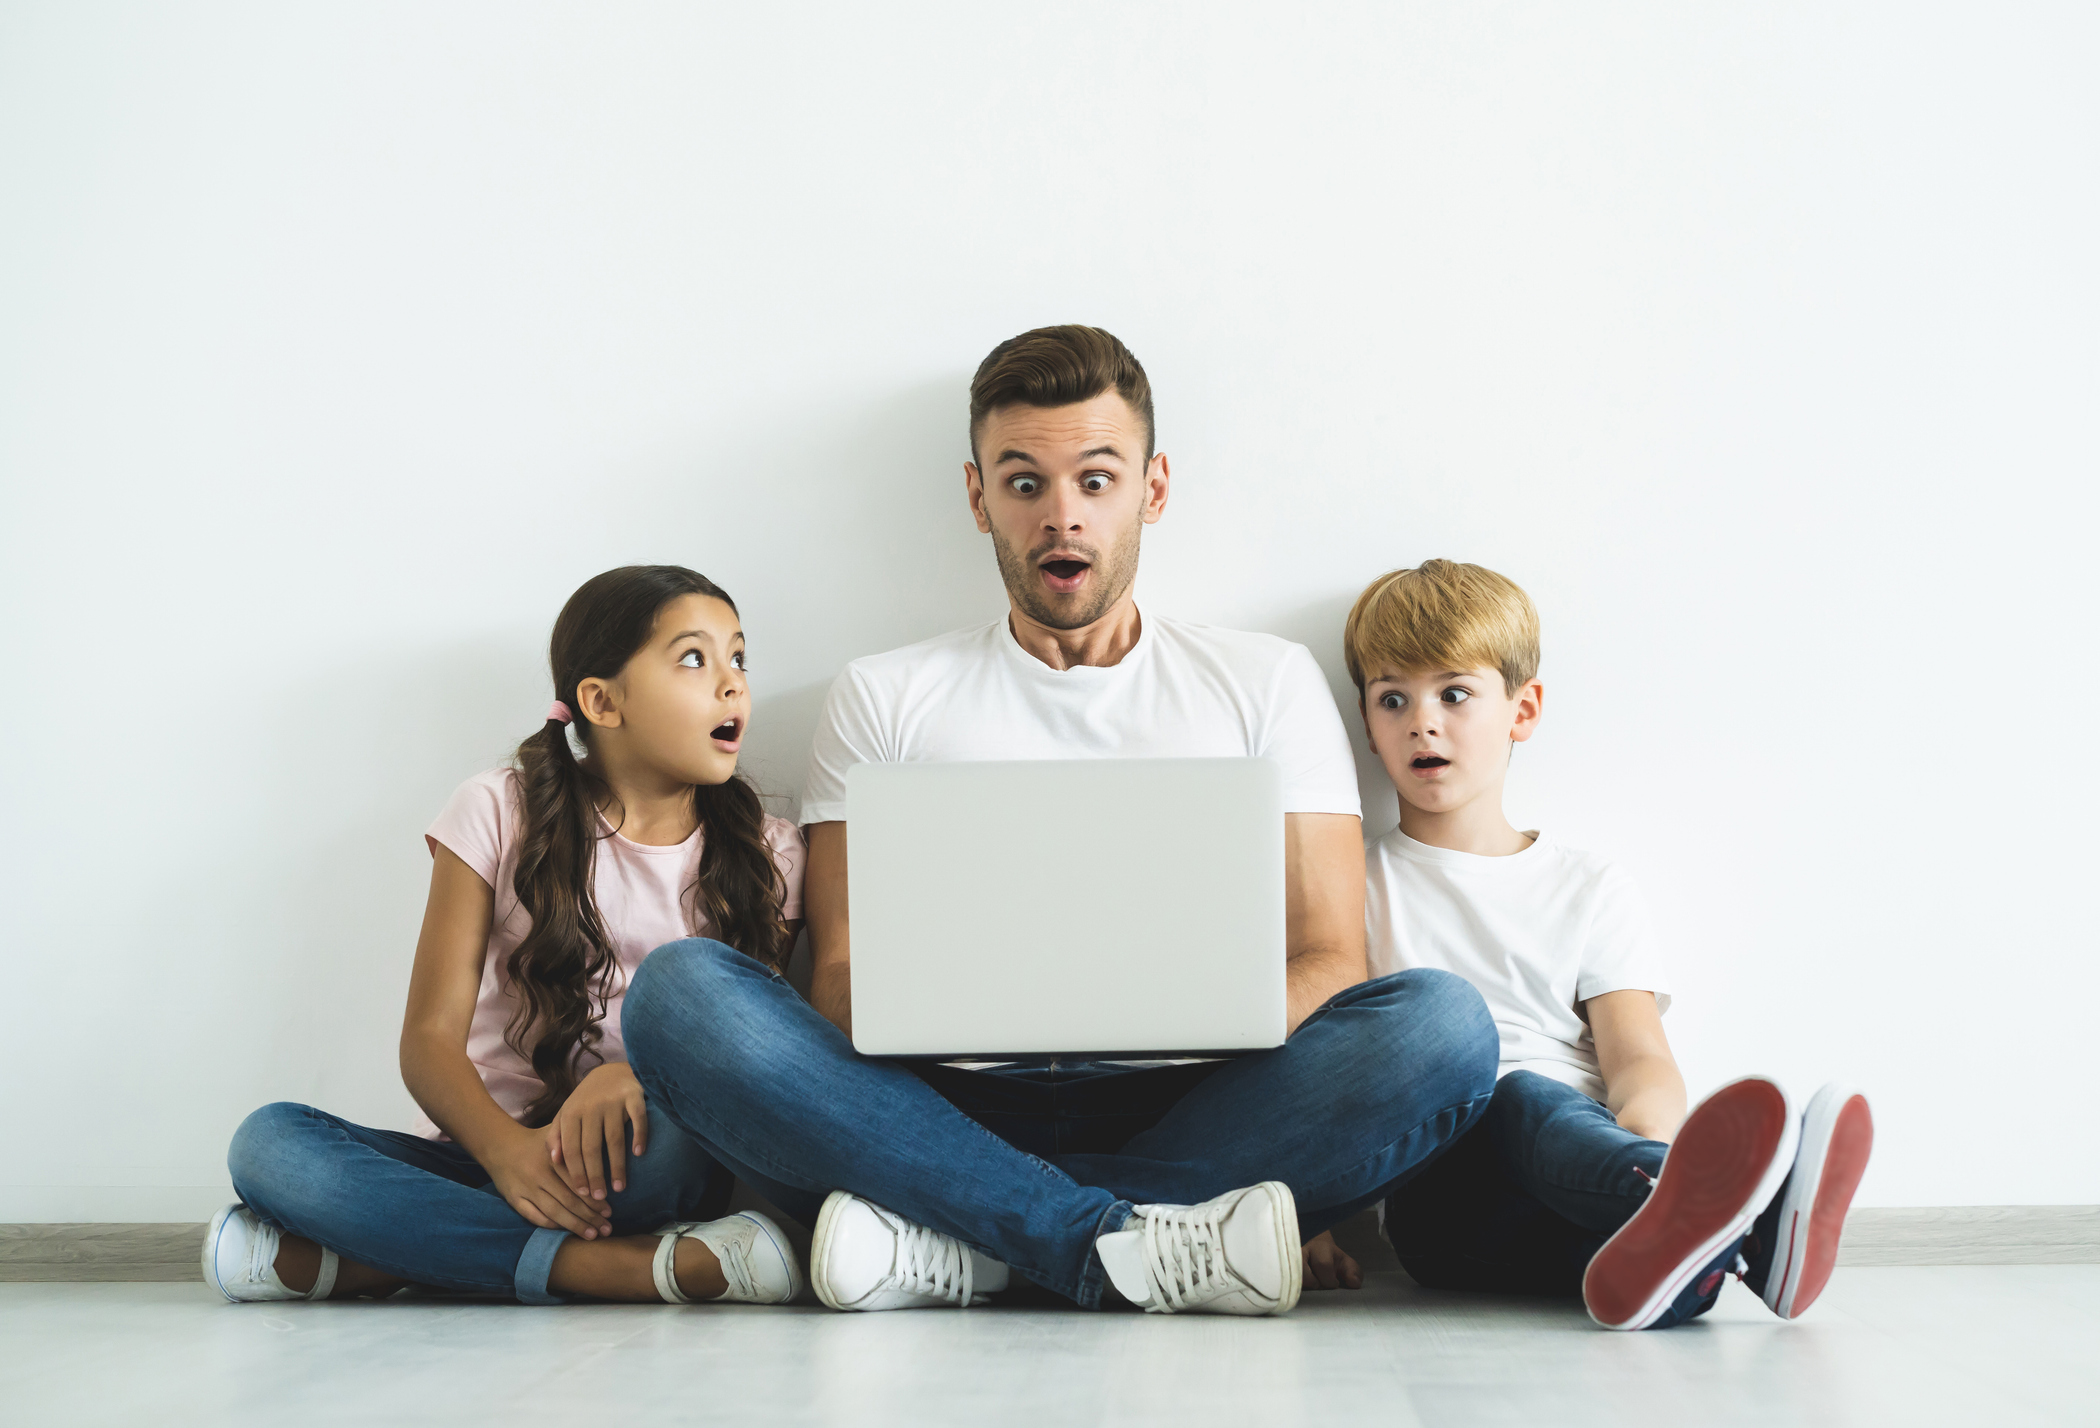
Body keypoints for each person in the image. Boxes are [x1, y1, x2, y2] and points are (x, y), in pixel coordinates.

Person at [620, 326, 1501, 1317]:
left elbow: (1333, 959)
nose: (1062, 516)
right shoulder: (885, 695)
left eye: (1096, 479)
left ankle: (968, 1244)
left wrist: (1182, 1009)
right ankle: (1117, 1243)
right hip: (935, 1107)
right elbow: (838, 977)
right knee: (683, 994)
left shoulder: (1264, 683)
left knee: (1442, 1028)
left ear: (1152, 489)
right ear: (978, 498)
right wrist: (968, 1008)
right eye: (1024, 483)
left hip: (1203, 1102)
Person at [205, 566, 808, 1307]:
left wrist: (634, 1078)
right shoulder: (497, 809)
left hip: (634, 1157)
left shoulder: (771, 853)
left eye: (739, 657)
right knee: (269, 1144)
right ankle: (613, 1269)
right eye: (694, 657)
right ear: (602, 701)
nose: (732, 682)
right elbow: (428, 1040)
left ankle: (377, 1259)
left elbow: (744, 1060)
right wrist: (508, 1154)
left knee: (682, 1150)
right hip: (481, 1150)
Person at [1317, 558, 1874, 1328]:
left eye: (1454, 694)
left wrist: (1641, 1146)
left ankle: (1700, 1248)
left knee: (1647, 1253)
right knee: (1514, 1096)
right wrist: (1303, 1214)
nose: (1422, 722)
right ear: (1367, 724)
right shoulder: (1349, 885)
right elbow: (1317, 1070)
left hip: (1589, 1181)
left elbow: (1639, 1059)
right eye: (1392, 699)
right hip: (1446, 1206)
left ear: (1523, 709)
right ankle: (1748, 1219)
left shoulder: (1588, 885)